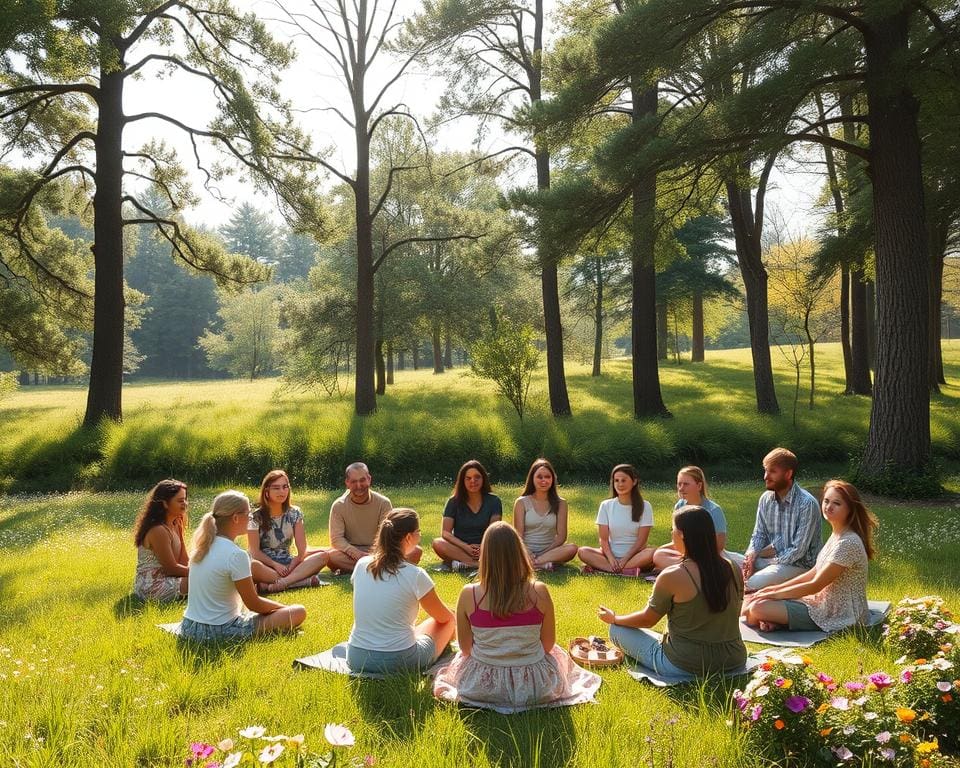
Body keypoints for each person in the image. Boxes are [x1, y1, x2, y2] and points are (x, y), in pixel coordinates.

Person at [434, 522, 601, 711]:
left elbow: (465, 649)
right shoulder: (539, 591)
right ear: (519, 553)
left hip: (481, 687)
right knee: (558, 654)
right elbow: (547, 645)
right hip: (536, 687)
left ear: (485, 556)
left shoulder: (469, 594)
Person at [598, 505, 747, 680]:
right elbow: (735, 612)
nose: (671, 535)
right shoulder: (733, 567)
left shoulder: (673, 575)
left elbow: (648, 620)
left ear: (682, 534)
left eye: (673, 530)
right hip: (733, 660)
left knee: (617, 630)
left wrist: (615, 618)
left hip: (684, 664)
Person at [743, 480, 877, 633]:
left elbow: (816, 584)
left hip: (838, 613)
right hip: (820, 603)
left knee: (756, 608)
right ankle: (774, 621)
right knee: (750, 606)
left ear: (850, 509)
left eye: (837, 504)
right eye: (826, 501)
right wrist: (773, 589)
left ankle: (774, 620)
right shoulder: (837, 535)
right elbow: (812, 573)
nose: (828, 507)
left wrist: (773, 594)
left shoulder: (848, 542)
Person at [180, 490, 306, 642]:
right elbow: (254, 604)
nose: (251, 518)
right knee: (298, 612)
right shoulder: (236, 555)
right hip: (219, 630)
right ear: (235, 518)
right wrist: (284, 608)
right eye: (248, 514)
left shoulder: (202, 547)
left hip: (189, 627)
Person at [346, 508, 455, 674]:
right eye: (418, 532)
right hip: (399, 661)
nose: (420, 536)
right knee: (450, 620)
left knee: (420, 626)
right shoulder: (415, 575)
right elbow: (444, 617)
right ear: (409, 537)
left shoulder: (362, 564)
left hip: (356, 657)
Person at [742, 448, 822, 590]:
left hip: (800, 566)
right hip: (770, 561)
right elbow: (758, 535)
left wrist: (767, 563)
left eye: (772, 471)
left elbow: (798, 551)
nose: (766, 476)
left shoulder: (806, 504)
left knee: (754, 582)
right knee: (729, 566)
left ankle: (751, 608)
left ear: (788, 474)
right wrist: (751, 554)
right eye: (765, 470)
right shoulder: (765, 499)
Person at [328, 462, 420, 573]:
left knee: (415, 551)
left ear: (369, 479)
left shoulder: (383, 503)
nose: (358, 486)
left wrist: (376, 554)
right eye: (354, 482)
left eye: (362, 480)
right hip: (352, 552)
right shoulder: (339, 506)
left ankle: (363, 568)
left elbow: (388, 535)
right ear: (347, 483)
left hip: (380, 549)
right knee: (331, 556)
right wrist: (356, 553)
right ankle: (384, 567)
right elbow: (336, 539)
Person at [247, 469, 328, 592]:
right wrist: (275, 565)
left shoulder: (295, 513)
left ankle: (277, 584)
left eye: (285, 487)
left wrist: (291, 566)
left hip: (288, 564)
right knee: (252, 566)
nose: (282, 491)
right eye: (276, 488)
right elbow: (255, 552)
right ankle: (303, 581)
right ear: (266, 492)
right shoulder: (254, 517)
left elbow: (302, 550)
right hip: (266, 566)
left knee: (323, 556)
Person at [653, 466, 737, 570]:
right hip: (684, 553)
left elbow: (719, 545)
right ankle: (690, 568)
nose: (681, 488)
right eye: (679, 484)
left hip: (707, 555)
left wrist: (696, 556)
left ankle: (687, 568)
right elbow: (676, 539)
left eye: (686, 484)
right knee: (658, 554)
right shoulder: (679, 506)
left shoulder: (714, 510)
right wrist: (662, 550)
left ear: (699, 485)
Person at [578, 464, 655, 575]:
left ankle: (610, 569)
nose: (620, 484)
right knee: (583, 551)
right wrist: (610, 558)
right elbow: (603, 539)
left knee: (653, 553)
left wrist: (625, 559)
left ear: (634, 482)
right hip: (610, 555)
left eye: (623, 480)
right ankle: (621, 570)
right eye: (616, 480)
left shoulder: (645, 506)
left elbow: (641, 541)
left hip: (634, 556)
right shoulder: (606, 505)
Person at [432, 460, 502, 570]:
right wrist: (466, 547)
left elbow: (494, 530)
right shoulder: (453, 502)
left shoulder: (494, 501)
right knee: (437, 543)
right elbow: (446, 533)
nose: (473, 481)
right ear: (462, 481)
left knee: (504, 542)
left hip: (488, 546)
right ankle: (477, 565)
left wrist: (483, 547)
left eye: (477, 477)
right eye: (468, 478)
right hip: (461, 547)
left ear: (483, 478)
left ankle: (460, 563)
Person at [512, 458, 578, 570]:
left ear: (553, 479)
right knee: (507, 547)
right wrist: (528, 553)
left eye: (547, 477)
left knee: (572, 548)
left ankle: (536, 563)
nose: (544, 480)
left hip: (550, 551)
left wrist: (542, 555)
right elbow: (518, 535)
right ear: (532, 478)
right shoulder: (521, 502)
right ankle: (539, 563)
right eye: (539, 477)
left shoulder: (561, 503)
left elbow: (561, 537)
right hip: (525, 550)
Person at [133, 479, 190, 601]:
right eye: (180, 500)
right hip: (152, 587)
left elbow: (183, 559)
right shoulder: (158, 530)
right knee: (209, 579)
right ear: (165, 503)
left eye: (185, 499)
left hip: (171, 579)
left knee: (211, 577)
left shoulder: (177, 523)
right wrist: (202, 572)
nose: (185, 503)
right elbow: (171, 569)